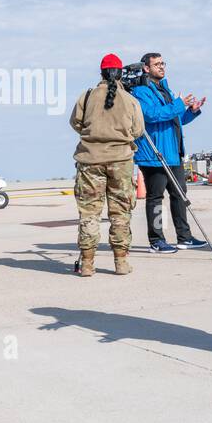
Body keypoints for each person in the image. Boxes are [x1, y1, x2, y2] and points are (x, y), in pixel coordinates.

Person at [69, 54, 145, 276]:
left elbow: (75, 122)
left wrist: (94, 135)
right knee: (120, 212)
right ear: (120, 73)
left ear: (101, 73)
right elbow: (138, 130)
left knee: (89, 213)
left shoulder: (87, 96)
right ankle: (121, 262)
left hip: (90, 160)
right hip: (121, 161)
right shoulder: (130, 100)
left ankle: (87, 264)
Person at [131, 52, 207, 253]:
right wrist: (178, 104)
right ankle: (157, 240)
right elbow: (152, 115)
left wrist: (191, 111)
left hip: (173, 153)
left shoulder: (165, 89)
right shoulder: (140, 92)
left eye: (163, 63)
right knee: (156, 198)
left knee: (180, 195)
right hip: (154, 156)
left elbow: (175, 119)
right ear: (146, 68)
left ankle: (185, 237)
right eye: (157, 64)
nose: (162, 67)